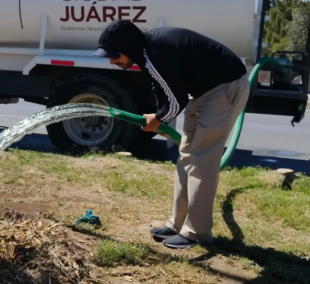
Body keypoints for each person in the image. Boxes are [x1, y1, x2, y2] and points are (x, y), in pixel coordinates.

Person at [94, 20, 250, 249]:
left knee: (202, 162)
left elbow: (176, 99)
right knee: (185, 156)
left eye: (115, 55)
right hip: (204, 92)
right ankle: (178, 225)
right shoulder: (146, 53)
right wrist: (160, 117)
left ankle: (197, 233)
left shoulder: (157, 51)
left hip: (225, 89)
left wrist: (160, 120)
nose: (112, 61)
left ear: (127, 48)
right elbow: (162, 89)